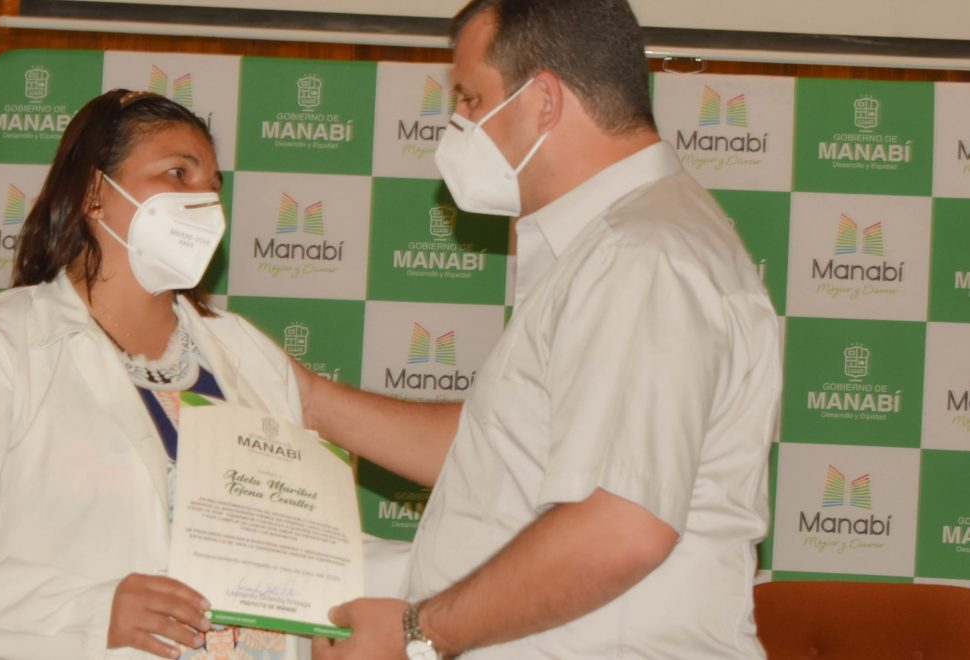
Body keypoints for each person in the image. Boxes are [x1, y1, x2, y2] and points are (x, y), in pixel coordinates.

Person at [303, 0, 782, 658]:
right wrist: (301, 397)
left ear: (544, 101)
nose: (459, 124)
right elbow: (498, 456)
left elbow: (621, 528)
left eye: (471, 98)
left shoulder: (639, 256)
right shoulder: (616, 244)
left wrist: (417, 632)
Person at [0, 90, 305, 660]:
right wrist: (92, 612)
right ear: (96, 193)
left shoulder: (245, 354)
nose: (205, 203)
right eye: (178, 174)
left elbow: (297, 540)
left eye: (213, 186)